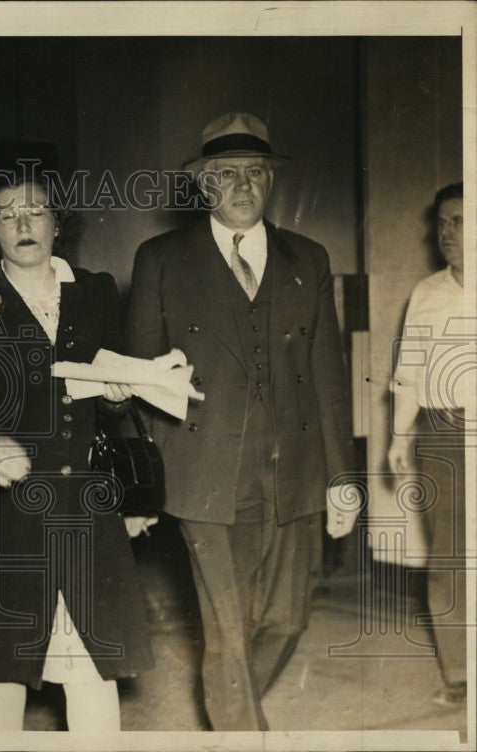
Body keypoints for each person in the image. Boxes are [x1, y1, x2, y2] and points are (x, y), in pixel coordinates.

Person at [124, 112, 362, 730]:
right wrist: (142, 483)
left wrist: (344, 477)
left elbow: (330, 378)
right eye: (226, 174)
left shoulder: (308, 257)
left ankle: (231, 716)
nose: (243, 185)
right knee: (228, 632)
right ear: (203, 183)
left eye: (256, 172)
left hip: (294, 472)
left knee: (285, 621)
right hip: (202, 474)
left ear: (272, 180)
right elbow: (136, 380)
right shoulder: (161, 259)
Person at [0, 156, 154, 731]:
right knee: (3, 663)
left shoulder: (94, 291)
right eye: (7, 214)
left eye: (36, 211)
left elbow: (113, 395)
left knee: (93, 661)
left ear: (58, 221)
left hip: (82, 507)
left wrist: (118, 396)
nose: (24, 224)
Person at [388, 182, 469, 706]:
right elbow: (409, 371)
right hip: (444, 434)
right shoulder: (426, 292)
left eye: (458, 220)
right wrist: (399, 435)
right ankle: (461, 673)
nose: (444, 232)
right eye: (440, 222)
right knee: (450, 558)